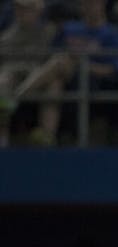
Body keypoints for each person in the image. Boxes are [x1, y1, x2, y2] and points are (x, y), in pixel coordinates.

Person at [10, 0, 118, 145]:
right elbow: (50, 54)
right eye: (85, 4)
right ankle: (47, 135)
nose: (89, 6)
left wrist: (81, 66)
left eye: (93, 3)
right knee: (55, 82)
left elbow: (113, 69)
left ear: (102, 4)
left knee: (61, 61)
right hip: (60, 77)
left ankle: (15, 97)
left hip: (90, 80)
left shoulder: (112, 33)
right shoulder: (69, 28)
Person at [0, 0, 57, 147]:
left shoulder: (48, 32)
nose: (22, 13)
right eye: (19, 9)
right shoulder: (7, 35)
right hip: (12, 75)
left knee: (55, 84)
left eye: (27, 9)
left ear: (38, 11)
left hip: (38, 77)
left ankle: (46, 137)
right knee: (3, 81)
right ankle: (2, 139)